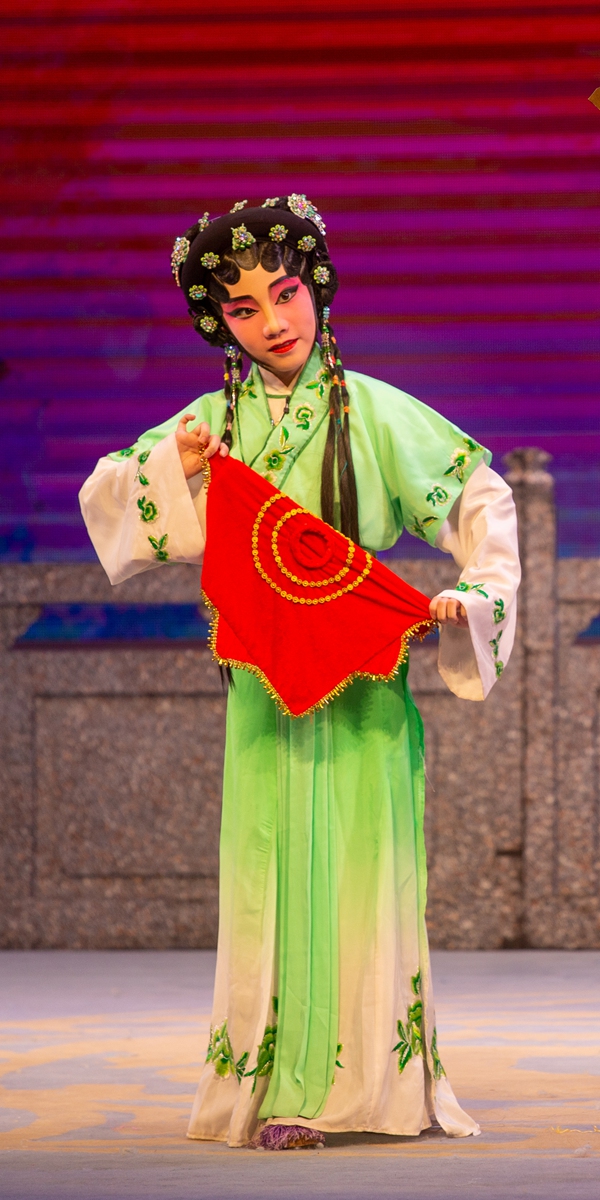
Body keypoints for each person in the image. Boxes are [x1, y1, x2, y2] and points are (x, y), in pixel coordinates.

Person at [80, 195, 520, 1151]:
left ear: (315, 288)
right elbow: (110, 491)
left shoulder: (374, 410)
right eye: (243, 310)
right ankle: (277, 1087)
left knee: (363, 874)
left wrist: (475, 595)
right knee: (268, 876)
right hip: (264, 693)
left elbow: (480, 493)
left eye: (285, 293)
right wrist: (177, 468)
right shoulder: (214, 420)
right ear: (219, 324)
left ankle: (373, 1087)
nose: (273, 322)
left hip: (362, 680)